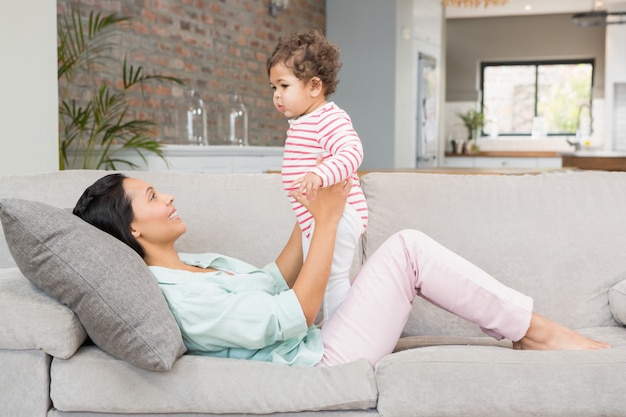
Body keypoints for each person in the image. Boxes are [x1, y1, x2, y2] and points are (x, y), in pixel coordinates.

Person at [73, 173, 610, 368]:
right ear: (135, 230)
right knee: (407, 250)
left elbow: (273, 280)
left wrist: (305, 216)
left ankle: (527, 330)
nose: (167, 197)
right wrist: (327, 224)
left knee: (406, 251)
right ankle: (538, 332)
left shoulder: (198, 267)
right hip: (323, 358)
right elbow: (298, 310)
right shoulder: (178, 296)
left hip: (319, 337)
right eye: (150, 196)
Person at [267, 29, 368, 322]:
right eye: (273, 88)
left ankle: (341, 334)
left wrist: (320, 174)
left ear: (314, 86)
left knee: (332, 279)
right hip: (319, 219)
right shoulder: (304, 121)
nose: (277, 96)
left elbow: (352, 152)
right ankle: (330, 329)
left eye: (283, 86)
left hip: (338, 215)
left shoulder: (327, 117)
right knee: (321, 279)